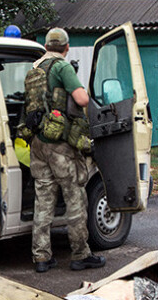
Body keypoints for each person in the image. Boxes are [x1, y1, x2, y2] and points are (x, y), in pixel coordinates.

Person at [25, 27, 105, 273]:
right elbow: (81, 99)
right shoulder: (62, 67)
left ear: (46, 45)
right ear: (66, 47)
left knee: (44, 201)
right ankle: (81, 254)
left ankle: (41, 257)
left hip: (38, 142)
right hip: (60, 144)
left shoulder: (34, 68)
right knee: (75, 198)